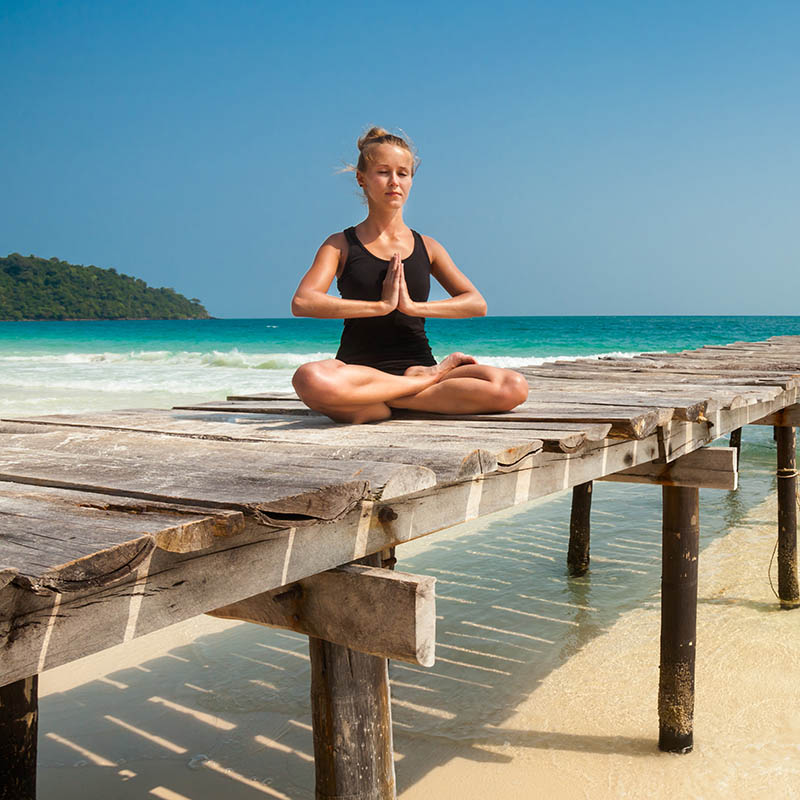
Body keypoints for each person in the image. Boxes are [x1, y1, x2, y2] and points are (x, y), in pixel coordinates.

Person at [291, 127, 529, 424]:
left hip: (417, 365)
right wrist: (379, 307)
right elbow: (303, 302)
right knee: (309, 378)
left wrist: (413, 307)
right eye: (383, 172)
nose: (394, 182)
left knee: (512, 387)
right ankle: (416, 393)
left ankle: (382, 402)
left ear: (411, 180)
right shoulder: (339, 244)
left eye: (403, 173)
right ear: (362, 179)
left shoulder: (428, 246)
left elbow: (475, 303)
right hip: (359, 372)